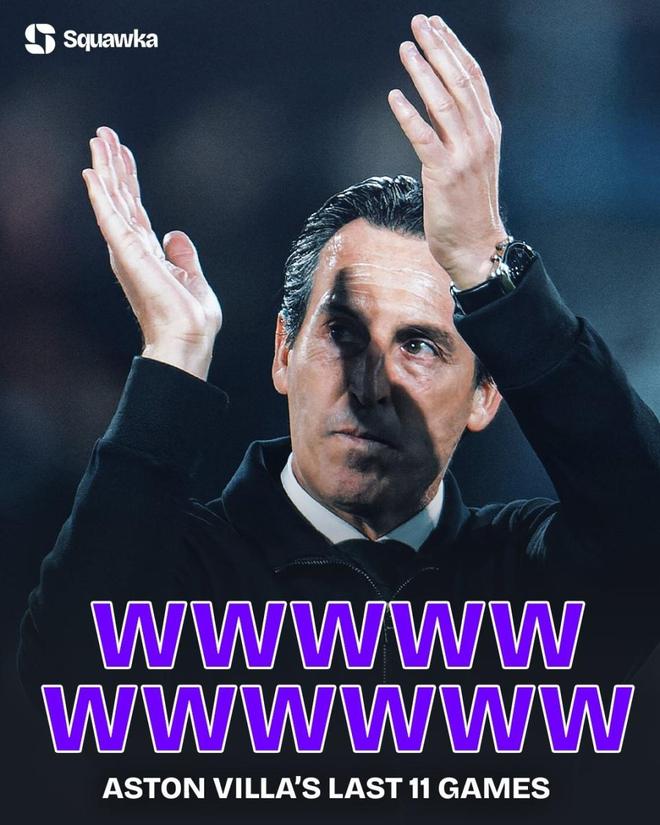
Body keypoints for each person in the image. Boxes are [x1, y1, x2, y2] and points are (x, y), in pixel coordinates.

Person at [18, 12, 660, 821]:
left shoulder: (527, 586)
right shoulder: (173, 568)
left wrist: (491, 271)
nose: (370, 385)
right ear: (283, 353)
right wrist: (171, 359)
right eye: (343, 333)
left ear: (486, 395)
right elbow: (61, 690)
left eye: (419, 344)